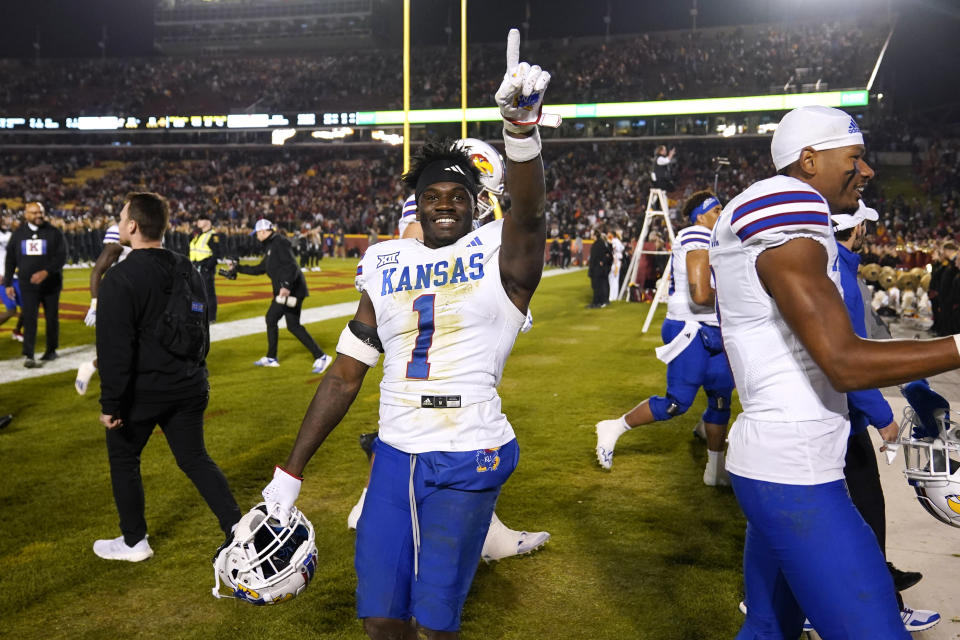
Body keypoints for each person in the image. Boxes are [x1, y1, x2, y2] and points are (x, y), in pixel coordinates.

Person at [259, 30, 550, 639]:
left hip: (469, 452)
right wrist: (289, 474)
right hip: (395, 452)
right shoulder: (385, 266)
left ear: (475, 205)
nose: (443, 205)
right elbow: (344, 374)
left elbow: (530, 215)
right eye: (430, 197)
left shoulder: (503, 255)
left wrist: (520, 133)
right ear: (416, 205)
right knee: (380, 618)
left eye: (456, 197)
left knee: (433, 621)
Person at [709, 105, 960, 638]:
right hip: (794, 472)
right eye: (856, 157)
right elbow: (844, 362)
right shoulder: (788, 203)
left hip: (778, 460)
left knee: (767, 630)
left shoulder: (786, 213)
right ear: (807, 160)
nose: (867, 172)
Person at [346, 136, 550, 565]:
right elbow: (417, 257)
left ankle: (473, 529)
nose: (447, 203)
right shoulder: (424, 224)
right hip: (426, 347)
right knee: (421, 428)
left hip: (446, 352)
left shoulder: (465, 214)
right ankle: (375, 505)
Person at [94, 192, 241, 562]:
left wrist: (111, 403)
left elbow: (116, 349)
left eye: (122, 216)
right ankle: (237, 529)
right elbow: (200, 326)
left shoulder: (120, 276)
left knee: (124, 457)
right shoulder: (185, 266)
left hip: (146, 390)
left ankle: (134, 541)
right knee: (195, 458)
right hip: (189, 383)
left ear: (132, 226)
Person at [830, 201, 940, 632]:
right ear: (855, 226)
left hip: (829, 417)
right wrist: (882, 415)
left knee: (835, 517)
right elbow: (849, 358)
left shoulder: (834, 266)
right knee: (866, 516)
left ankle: (784, 600)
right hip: (839, 420)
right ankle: (882, 607)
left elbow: (874, 344)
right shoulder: (838, 275)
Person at [595, 192, 734, 486]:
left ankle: (715, 468)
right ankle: (614, 427)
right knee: (676, 403)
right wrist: (739, 300)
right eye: (717, 210)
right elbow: (700, 295)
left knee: (721, 398)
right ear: (700, 217)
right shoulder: (697, 234)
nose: (723, 214)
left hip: (714, 327)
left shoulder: (715, 238)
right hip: (689, 328)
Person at [232, 219, 332, 374]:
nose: (256, 236)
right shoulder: (272, 245)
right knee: (291, 325)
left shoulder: (279, 242)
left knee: (273, 319)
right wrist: (238, 269)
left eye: (257, 233)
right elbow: (260, 268)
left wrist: (285, 285)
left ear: (264, 232)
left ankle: (320, 356)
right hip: (286, 290)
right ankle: (277, 357)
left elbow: (291, 265)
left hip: (291, 290)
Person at [3, 202, 66, 368]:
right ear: (26, 214)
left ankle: (51, 350)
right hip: (28, 285)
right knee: (29, 318)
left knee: (52, 318)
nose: (38, 215)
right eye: (34, 213)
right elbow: (10, 259)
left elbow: (61, 256)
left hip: (51, 284)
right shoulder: (18, 234)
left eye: (41, 212)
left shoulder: (54, 232)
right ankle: (29, 354)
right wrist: (8, 282)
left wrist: (46, 272)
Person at [75, 221, 131, 395]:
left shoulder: (150, 231)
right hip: (119, 299)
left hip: (137, 296)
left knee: (135, 346)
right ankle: (93, 368)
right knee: (123, 348)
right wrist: (95, 304)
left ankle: (93, 366)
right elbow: (97, 271)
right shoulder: (119, 234)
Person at [189, 214, 222, 322]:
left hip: (205, 268)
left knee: (208, 294)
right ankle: (198, 315)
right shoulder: (199, 235)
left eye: (201, 219)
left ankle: (211, 317)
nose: (198, 221)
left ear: (208, 221)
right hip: (195, 268)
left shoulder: (213, 235)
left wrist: (207, 267)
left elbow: (217, 253)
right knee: (196, 294)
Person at [587, 227, 612, 308]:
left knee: (597, 286)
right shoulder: (601, 243)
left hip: (597, 269)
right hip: (600, 269)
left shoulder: (598, 244)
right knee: (601, 285)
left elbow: (595, 258)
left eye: (592, 234)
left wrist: (602, 262)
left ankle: (596, 302)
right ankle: (603, 301)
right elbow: (608, 255)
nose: (591, 236)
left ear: (595, 235)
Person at [607, 229, 624, 302]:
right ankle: (614, 296)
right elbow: (622, 248)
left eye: (609, 234)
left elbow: (614, 250)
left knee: (612, 278)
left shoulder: (613, 241)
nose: (608, 235)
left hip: (615, 261)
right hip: (618, 261)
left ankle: (612, 297)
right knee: (615, 279)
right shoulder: (618, 241)